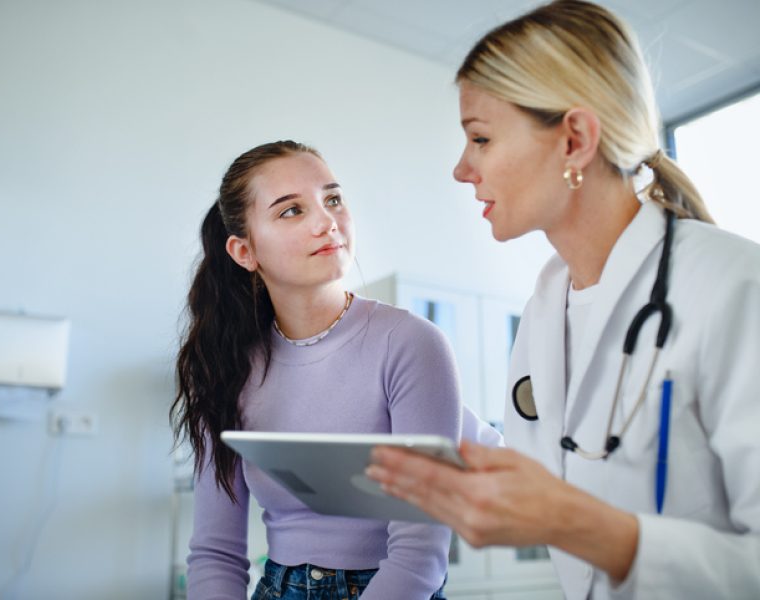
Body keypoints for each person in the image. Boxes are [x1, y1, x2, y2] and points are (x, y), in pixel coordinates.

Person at [366, 1, 760, 599]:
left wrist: (580, 525)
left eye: (481, 138)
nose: (461, 169)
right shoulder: (545, 314)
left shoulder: (734, 287)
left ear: (574, 139)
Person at [170, 140, 500, 599]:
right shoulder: (223, 367)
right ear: (244, 251)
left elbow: (418, 556)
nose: (327, 222)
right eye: (291, 211)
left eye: (333, 199)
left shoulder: (410, 343)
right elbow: (214, 554)